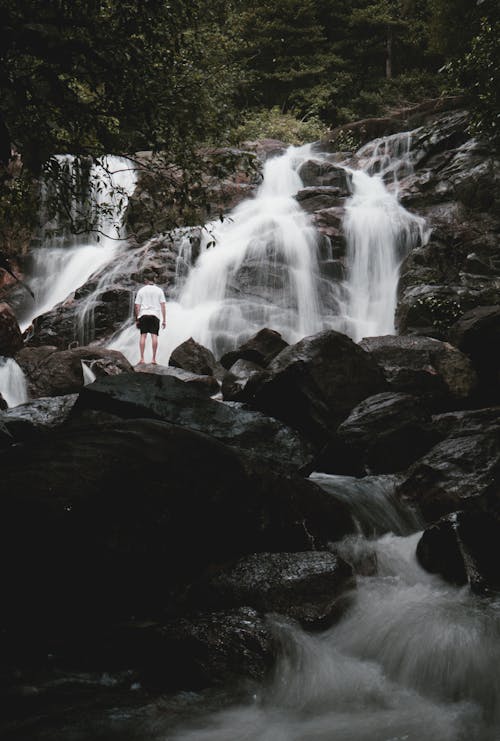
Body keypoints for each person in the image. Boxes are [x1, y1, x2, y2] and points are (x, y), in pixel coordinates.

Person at [134, 271, 166, 365]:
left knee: (143, 335)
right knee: (154, 336)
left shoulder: (141, 290)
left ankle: (142, 359)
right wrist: (164, 320)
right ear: (154, 280)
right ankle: (153, 359)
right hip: (155, 315)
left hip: (143, 315)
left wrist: (137, 319)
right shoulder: (159, 290)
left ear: (146, 280)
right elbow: (163, 305)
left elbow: (137, 306)